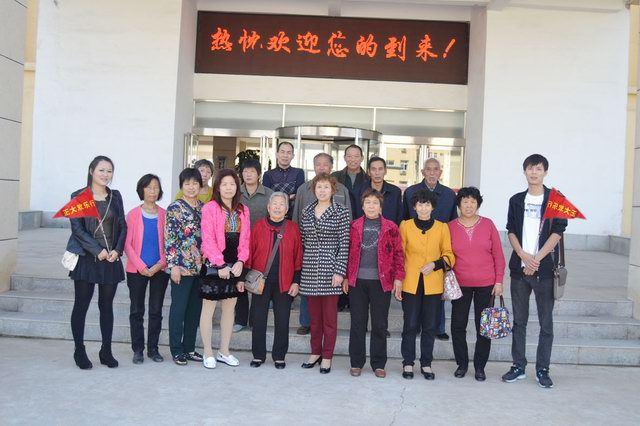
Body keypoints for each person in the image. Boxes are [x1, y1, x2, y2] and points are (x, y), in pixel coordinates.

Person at [502, 154, 567, 389]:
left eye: (538, 169)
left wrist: (536, 259)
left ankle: (542, 369)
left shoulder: (556, 199)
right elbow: (511, 230)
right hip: (519, 270)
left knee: (545, 323)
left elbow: (557, 232)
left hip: (544, 270)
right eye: (530, 168)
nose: (534, 172)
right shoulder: (516, 200)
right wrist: (522, 255)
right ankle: (518, 366)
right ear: (524, 171)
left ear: (545, 172)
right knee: (519, 321)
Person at [67, 155, 127, 370]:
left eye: (109, 171)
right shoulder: (78, 197)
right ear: (92, 171)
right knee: (81, 305)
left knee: (106, 307)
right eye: (102, 170)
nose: (105, 174)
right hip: (87, 259)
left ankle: (106, 351)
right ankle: (79, 350)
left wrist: (117, 250)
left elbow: (123, 225)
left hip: (110, 259)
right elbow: (77, 230)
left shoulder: (115, 196)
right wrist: (97, 250)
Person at [344, 189, 405, 378]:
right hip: (357, 282)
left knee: (379, 324)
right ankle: (356, 362)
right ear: (362, 206)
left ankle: (378, 363)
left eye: (375, 203)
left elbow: (399, 254)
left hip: (381, 282)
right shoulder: (353, 226)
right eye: (368, 202)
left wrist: (398, 277)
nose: (371, 206)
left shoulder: (390, 227)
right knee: (357, 323)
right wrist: (345, 276)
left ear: (380, 207)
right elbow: (346, 252)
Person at [291, 152, 352, 335]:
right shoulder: (303, 189)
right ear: (314, 166)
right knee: (307, 291)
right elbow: (297, 218)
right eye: (318, 164)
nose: (322, 167)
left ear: (331, 167)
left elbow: (347, 224)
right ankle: (305, 322)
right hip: (309, 253)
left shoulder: (341, 189)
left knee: (328, 305)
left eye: (326, 164)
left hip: (331, 257)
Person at [448, 187, 505, 381]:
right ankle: (462, 364)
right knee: (458, 325)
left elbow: (498, 255)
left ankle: (480, 367)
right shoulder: (450, 227)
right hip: (460, 284)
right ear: (459, 204)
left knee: (484, 327)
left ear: (478, 204)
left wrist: (499, 281)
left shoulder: (488, 224)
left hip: (486, 284)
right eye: (465, 201)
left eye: (473, 201)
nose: (469, 205)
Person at [399, 189, 454, 380]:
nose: (423, 208)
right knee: (410, 324)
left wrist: (435, 264)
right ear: (414, 207)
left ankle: (426, 363)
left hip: (433, 283)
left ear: (433, 207)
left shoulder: (442, 227)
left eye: (427, 204)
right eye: (420, 204)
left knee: (430, 325)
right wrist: (397, 280)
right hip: (410, 282)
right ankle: (408, 362)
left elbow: (449, 254)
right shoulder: (405, 226)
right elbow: (399, 254)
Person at [299, 174, 350, 374]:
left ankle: (327, 356)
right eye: (319, 187)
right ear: (314, 190)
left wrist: (339, 271)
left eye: (326, 187)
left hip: (331, 270)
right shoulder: (306, 211)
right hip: (310, 268)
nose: (322, 190)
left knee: (329, 319)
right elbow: (303, 240)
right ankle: (315, 352)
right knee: (314, 318)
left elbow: (344, 244)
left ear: (333, 190)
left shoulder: (341, 211)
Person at [402, 158, 458, 341]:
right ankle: (415, 326)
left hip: (439, 247)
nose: (432, 173)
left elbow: (453, 221)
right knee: (414, 302)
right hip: (414, 250)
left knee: (435, 293)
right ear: (422, 172)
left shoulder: (449, 194)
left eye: (436, 169)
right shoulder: (410, 192)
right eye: (428, 169)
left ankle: (438, 328)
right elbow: (404, 217)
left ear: (440, 172)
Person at [200, 169, 250, 369]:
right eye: (224, 184)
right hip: (215, 265)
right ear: (218, 187)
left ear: (237, 187)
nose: (229, 188)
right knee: (209, 309)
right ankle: (208, 352)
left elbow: (246, 239)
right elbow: (207, 239)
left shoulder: (243, 210)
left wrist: (241, 261)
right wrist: (219, 264)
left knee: (230, 310)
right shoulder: (210, 208)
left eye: (232, 184)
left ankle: (224, 351)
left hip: (234, 265)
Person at [247, 192, 302, 369]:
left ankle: (279, 356)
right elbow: (249, 252)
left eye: (282, 204)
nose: (278, 207)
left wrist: (296, 281)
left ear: (286, 210)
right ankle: (258, 355)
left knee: (282, 320)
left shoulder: (293, 228)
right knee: (258, 319)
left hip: (284, 282)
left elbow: (298, 256)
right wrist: (243, 277)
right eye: (274, 204)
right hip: (261, 282)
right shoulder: (258, 226)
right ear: (268, 207)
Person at [124, 174, 169, 364]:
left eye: (156, 187)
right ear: (141, 190)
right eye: (149, 187)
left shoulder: (165, 214)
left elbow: (170, 244)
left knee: (156, 311)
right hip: (136, 271)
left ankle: (153, 349)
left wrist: (159, 264)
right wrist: (142, 266)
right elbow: (127, 245)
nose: (152, 191)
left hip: (160, 270)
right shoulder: (133, 214)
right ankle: (138, 350)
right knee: (136, 310)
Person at [165, 168, 205, 366]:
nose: (191, 187)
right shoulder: (175, 208)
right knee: (179, 309)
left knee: (194, 310)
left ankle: (189, 348)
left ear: (200, 186)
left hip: (200, 268)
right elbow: (170, 238)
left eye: (195, 183)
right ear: (181, 186)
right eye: (187, 183)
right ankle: (176, 350)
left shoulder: (204, 207)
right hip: (181, 268)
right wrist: (173, 265)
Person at [234, 159, 274, 333]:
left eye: (252, 171)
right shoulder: (235, 193)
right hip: (238, 245)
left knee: (259, 282)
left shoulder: (269, 194)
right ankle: (240, 319)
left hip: (262, 245)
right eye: (245, 171)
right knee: (240, 281)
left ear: (259, 174)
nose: (248, 174)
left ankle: (255, 320)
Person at [262, 141, 305, 218]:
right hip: (273, 215)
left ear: (293, 156)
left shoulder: (299, 173)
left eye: (289, 153)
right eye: (282, 152)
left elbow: (299, 195)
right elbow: (268, 197)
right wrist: (289, 196)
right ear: (277, 154)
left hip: (293, 215)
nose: (285, 155)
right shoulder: (268, 175)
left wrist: (276, 195)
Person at [355, 156, 402, 225]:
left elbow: (399, 218)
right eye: (373, 169)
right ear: (369, 172)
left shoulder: (395, 192)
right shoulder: (359, 191)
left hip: (389, 230)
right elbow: (355, 217)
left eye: (380, 169)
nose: (377, 173)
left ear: (385, 171)